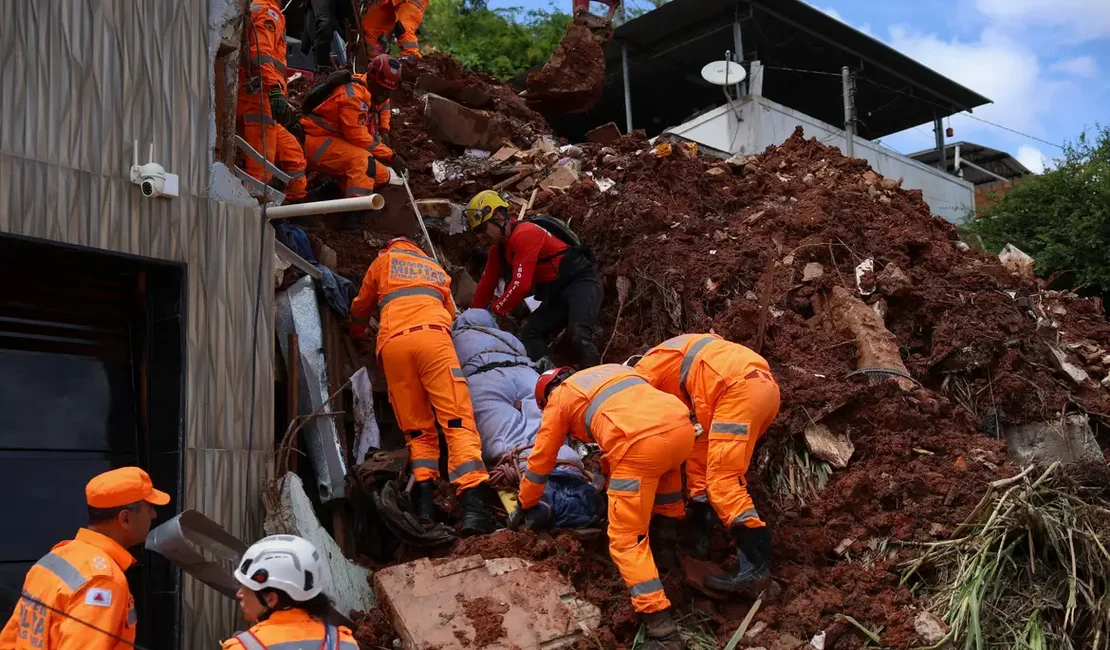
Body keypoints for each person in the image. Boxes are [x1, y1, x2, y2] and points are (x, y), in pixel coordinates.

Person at [511, 364, 695, 649]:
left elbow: (541, 461)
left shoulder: (560, 398)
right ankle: (669, 564)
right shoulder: (609, 372)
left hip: (638, 445)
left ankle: (663, 632)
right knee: (666, 497)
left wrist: (526, 502)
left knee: (625, 540)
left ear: (546, 396)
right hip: (680, 429)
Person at [349, 237, 500, 535]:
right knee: (456, 421)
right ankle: (474, 507)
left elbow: (361, 307)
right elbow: (453, 318)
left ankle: (424, 507)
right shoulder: (434, 268)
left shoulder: (383, 262)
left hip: (393, 345)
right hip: (434, 340)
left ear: (389, 247)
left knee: (417, 430)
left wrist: (356, 333)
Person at [634, 333, 781, 593]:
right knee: (702, 460)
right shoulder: (681, 352)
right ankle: (701, 533)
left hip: (734, 391)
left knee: (723, 480)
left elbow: (643, 429)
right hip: (761, 389)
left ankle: (756, 570)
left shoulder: (642, 374)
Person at [451, 309, 596, 528]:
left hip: (482, 379)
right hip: (527, 375)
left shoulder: (454, 339)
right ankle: (565, 469)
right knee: (547, 428)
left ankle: (533, 483)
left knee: (503, 434)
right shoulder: (507, 337)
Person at [0, 467, 170, 650]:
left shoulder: (56, 558)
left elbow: (11, 638)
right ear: (125, 518)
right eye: (149, 507)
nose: (153, 515)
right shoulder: (103, 581)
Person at [465, 190, 602, 370]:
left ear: (498, 217)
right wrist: (472, 320)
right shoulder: (497, 251)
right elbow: (486, 286)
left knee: (579, 335)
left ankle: (600, 379)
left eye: (482, 229)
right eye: (476, 232)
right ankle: (553, 378)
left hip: (581, 282)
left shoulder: (525, 234)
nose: (480, 237)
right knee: (528, 334)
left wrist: (495, 310)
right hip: (556, 295)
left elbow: (521, 286)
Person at [222, 535, 357, 650]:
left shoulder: (240, 647)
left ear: (271, 598)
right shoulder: (343, 643)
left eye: (246, 587)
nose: (239, 594)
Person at [238, 0, 307, 202]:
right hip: (257, 99)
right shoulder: (269, 13)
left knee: (293, 154)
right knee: (260, 169)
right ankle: (254, 217)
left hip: (262, 100)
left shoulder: (264, 10)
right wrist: (275, 92)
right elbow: (261, 55)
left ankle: (295, 207)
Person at [300, 67, 402, 200]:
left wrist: (384, 129)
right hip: (317, 142)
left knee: (382, 175)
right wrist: (391, 156)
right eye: (383, 90)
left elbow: (384, 105)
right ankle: (354, 210)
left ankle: (330, 192)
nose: (385, 95)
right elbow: (357, 137)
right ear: (371, 80)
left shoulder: (371, 88)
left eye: (389, 91)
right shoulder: (354, 97)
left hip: (334, 141)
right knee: (363, 161)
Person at [361, 0, 427, 58]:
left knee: (403, 28)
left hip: (410, 3)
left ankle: (413, 58)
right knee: (367, 29)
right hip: (389, 2)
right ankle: (372, 62)